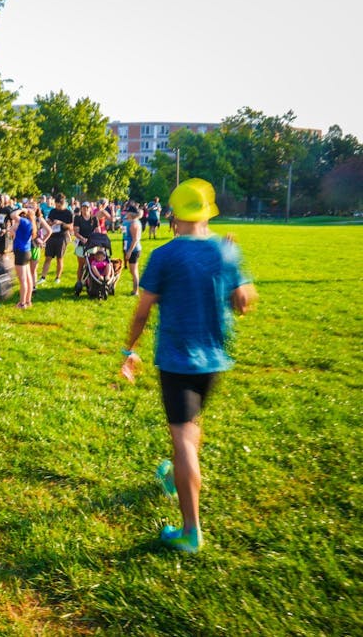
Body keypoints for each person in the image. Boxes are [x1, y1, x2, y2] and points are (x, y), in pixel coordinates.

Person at [121, 179, 257, 553]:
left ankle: (190, 531)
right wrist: (231, 262)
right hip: (214, 360)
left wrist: (127, 348)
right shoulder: (226, 251)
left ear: (174, 215)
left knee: (182, 439)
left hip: (178, 359)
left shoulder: (165, 255)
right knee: (190, 425)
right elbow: (244, 303)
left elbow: (142, 311)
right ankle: (176, 474)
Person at [38, 193, 74, 285]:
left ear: (63, 204)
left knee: (59, 258)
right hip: (52, 236)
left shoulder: (68, 213)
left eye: (59, 206)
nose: (57, 207)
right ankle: (43, 277)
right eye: (56, 205)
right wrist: (49, 222)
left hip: (62, 237)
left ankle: (57, 277)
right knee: (48, 258)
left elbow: (70, 227)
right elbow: (48, 221)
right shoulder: (53, 211)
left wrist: (61, 223)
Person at [9, 206, 37, 308]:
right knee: (28, 277)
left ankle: (22, 303)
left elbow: (12, 215)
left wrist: (22, 209)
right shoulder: (31, 223)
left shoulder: (25, 222)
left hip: (21, 252)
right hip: (26, 251)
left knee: (22, 280)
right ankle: (28, 301)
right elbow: (12, 231)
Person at [73, 202, 99, 296]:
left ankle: (91, 282)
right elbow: (76, 232)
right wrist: (83, 239)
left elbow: (97, 231)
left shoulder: (94, 218)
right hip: (81, 243)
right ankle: (79, 282)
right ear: (81, 208)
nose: (85, 209)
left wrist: (94, 238)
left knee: (92, 264)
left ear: (90, 208)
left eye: (87, 207)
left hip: (92, 243)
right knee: (81, 264)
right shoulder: (78, 218)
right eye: (83, 207)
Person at [122, 202, 143, 295]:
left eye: (128, 212)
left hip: (134, 250)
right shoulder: (130, 222)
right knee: (132, 270)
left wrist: (129, 251)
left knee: (134, 271)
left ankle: (136, 291)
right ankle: (135, 290)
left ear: (131, 213)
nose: (126, 213)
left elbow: (135, 239)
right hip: (130, 248)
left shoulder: (134, 224)